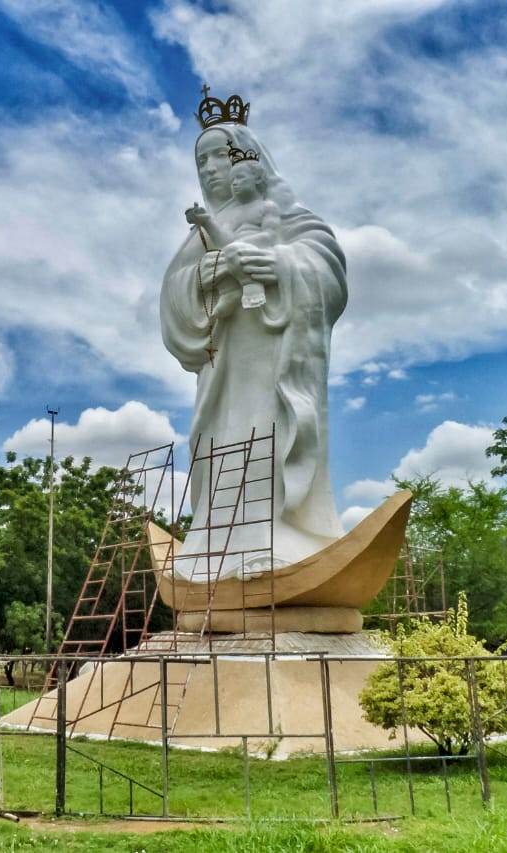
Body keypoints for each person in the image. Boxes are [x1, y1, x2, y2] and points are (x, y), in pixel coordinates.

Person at [160, 91, 347, 580]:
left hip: (271, 356)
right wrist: (215, 268)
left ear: (249, 158)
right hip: (223, 364)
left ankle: (274, 536)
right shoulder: (203, 230)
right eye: (200, 160)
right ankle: (212, 545)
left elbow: (326, 263)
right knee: (219, 444)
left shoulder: (280, 211)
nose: (209, 169)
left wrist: (280, 264)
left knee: (263, 435)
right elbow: (173, 295)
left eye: (219, 155)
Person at [184, 142, 281, 309]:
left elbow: (271, 236)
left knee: (235, 253)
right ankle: (229, 293)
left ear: (257, 178)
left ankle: (252, 288)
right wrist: (206, 221)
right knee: (212, 259)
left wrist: (241, 244)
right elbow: (225, 242)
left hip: (254, 252)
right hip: (232, 253)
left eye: (239, 178)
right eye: (232, 181)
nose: (234, 184)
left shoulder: (267, 207)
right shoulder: (233, 215)